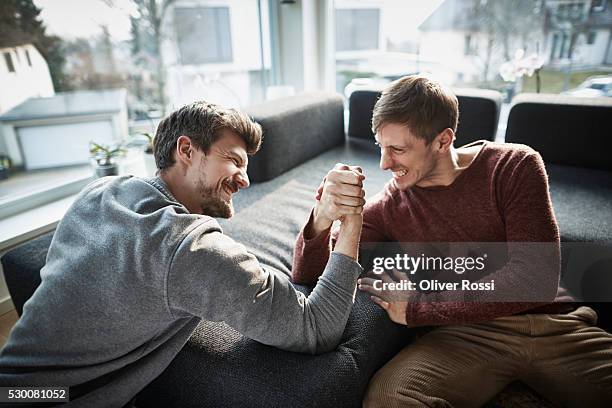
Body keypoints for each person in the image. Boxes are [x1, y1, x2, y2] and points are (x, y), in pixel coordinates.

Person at [0, 101, 364, 407]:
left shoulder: (101, 191)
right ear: (187, 150)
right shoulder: (192, 251)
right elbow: (316, 328)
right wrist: (351, 222)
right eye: (234, 161)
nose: (244, 179)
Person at [292, 75, 612, 407]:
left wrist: (420, 307)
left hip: (554, 327)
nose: (385, 163)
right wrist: (322, 216)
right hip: (463, 336)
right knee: (389, 398)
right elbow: (311, 274)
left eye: (398, 149)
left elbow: (535, 278)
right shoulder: (391, 204)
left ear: (443, 140)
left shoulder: (515, 165)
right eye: (381, 147)